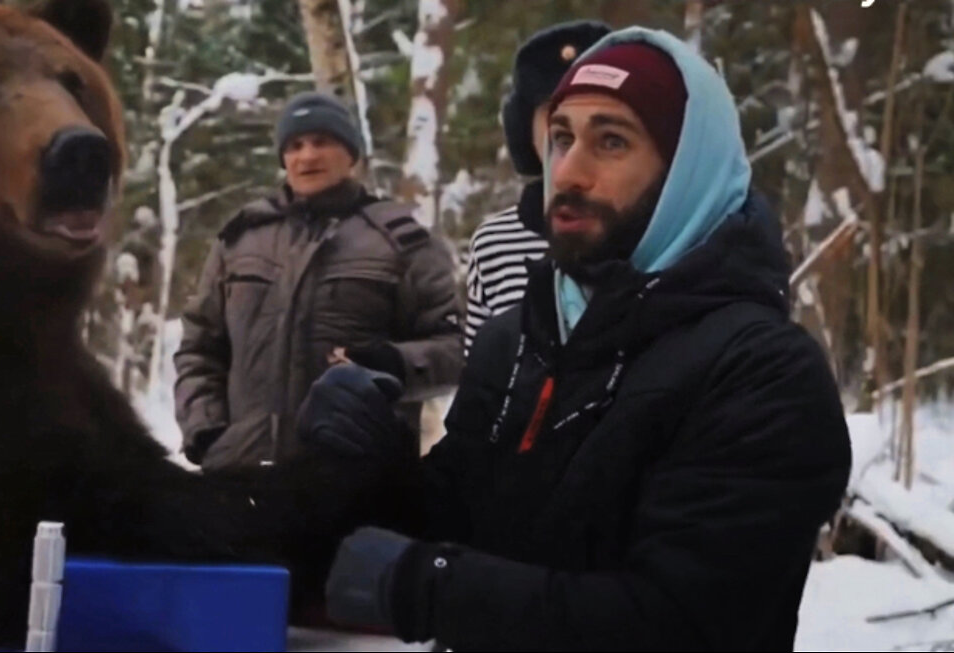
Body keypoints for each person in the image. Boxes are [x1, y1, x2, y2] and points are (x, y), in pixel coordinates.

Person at [298, 28, 852, 650]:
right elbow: (461, 517)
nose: (570, 172)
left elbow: (685, 622)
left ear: (685, 171)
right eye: (561, 138)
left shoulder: (762, 372)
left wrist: (429, 589)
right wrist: (369, 461)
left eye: (611, 141)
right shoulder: (521, 336)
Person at [174, 91, 463, 472]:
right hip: (243, 478)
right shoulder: (241, 239)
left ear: (351, 155)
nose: (307, 156)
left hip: (361, 482)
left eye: (322, 142)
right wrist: (207, 431)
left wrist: (393, 365)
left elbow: (456, 349)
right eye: (295, 146)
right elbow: (199, 347)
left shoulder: (401, 242)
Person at [464, 20, 610, 355]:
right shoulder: (494, 243)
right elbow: (478, 373)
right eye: (554, 114)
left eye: (596, 114)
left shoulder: (653, 227)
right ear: (522, 127)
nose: (573, 134)